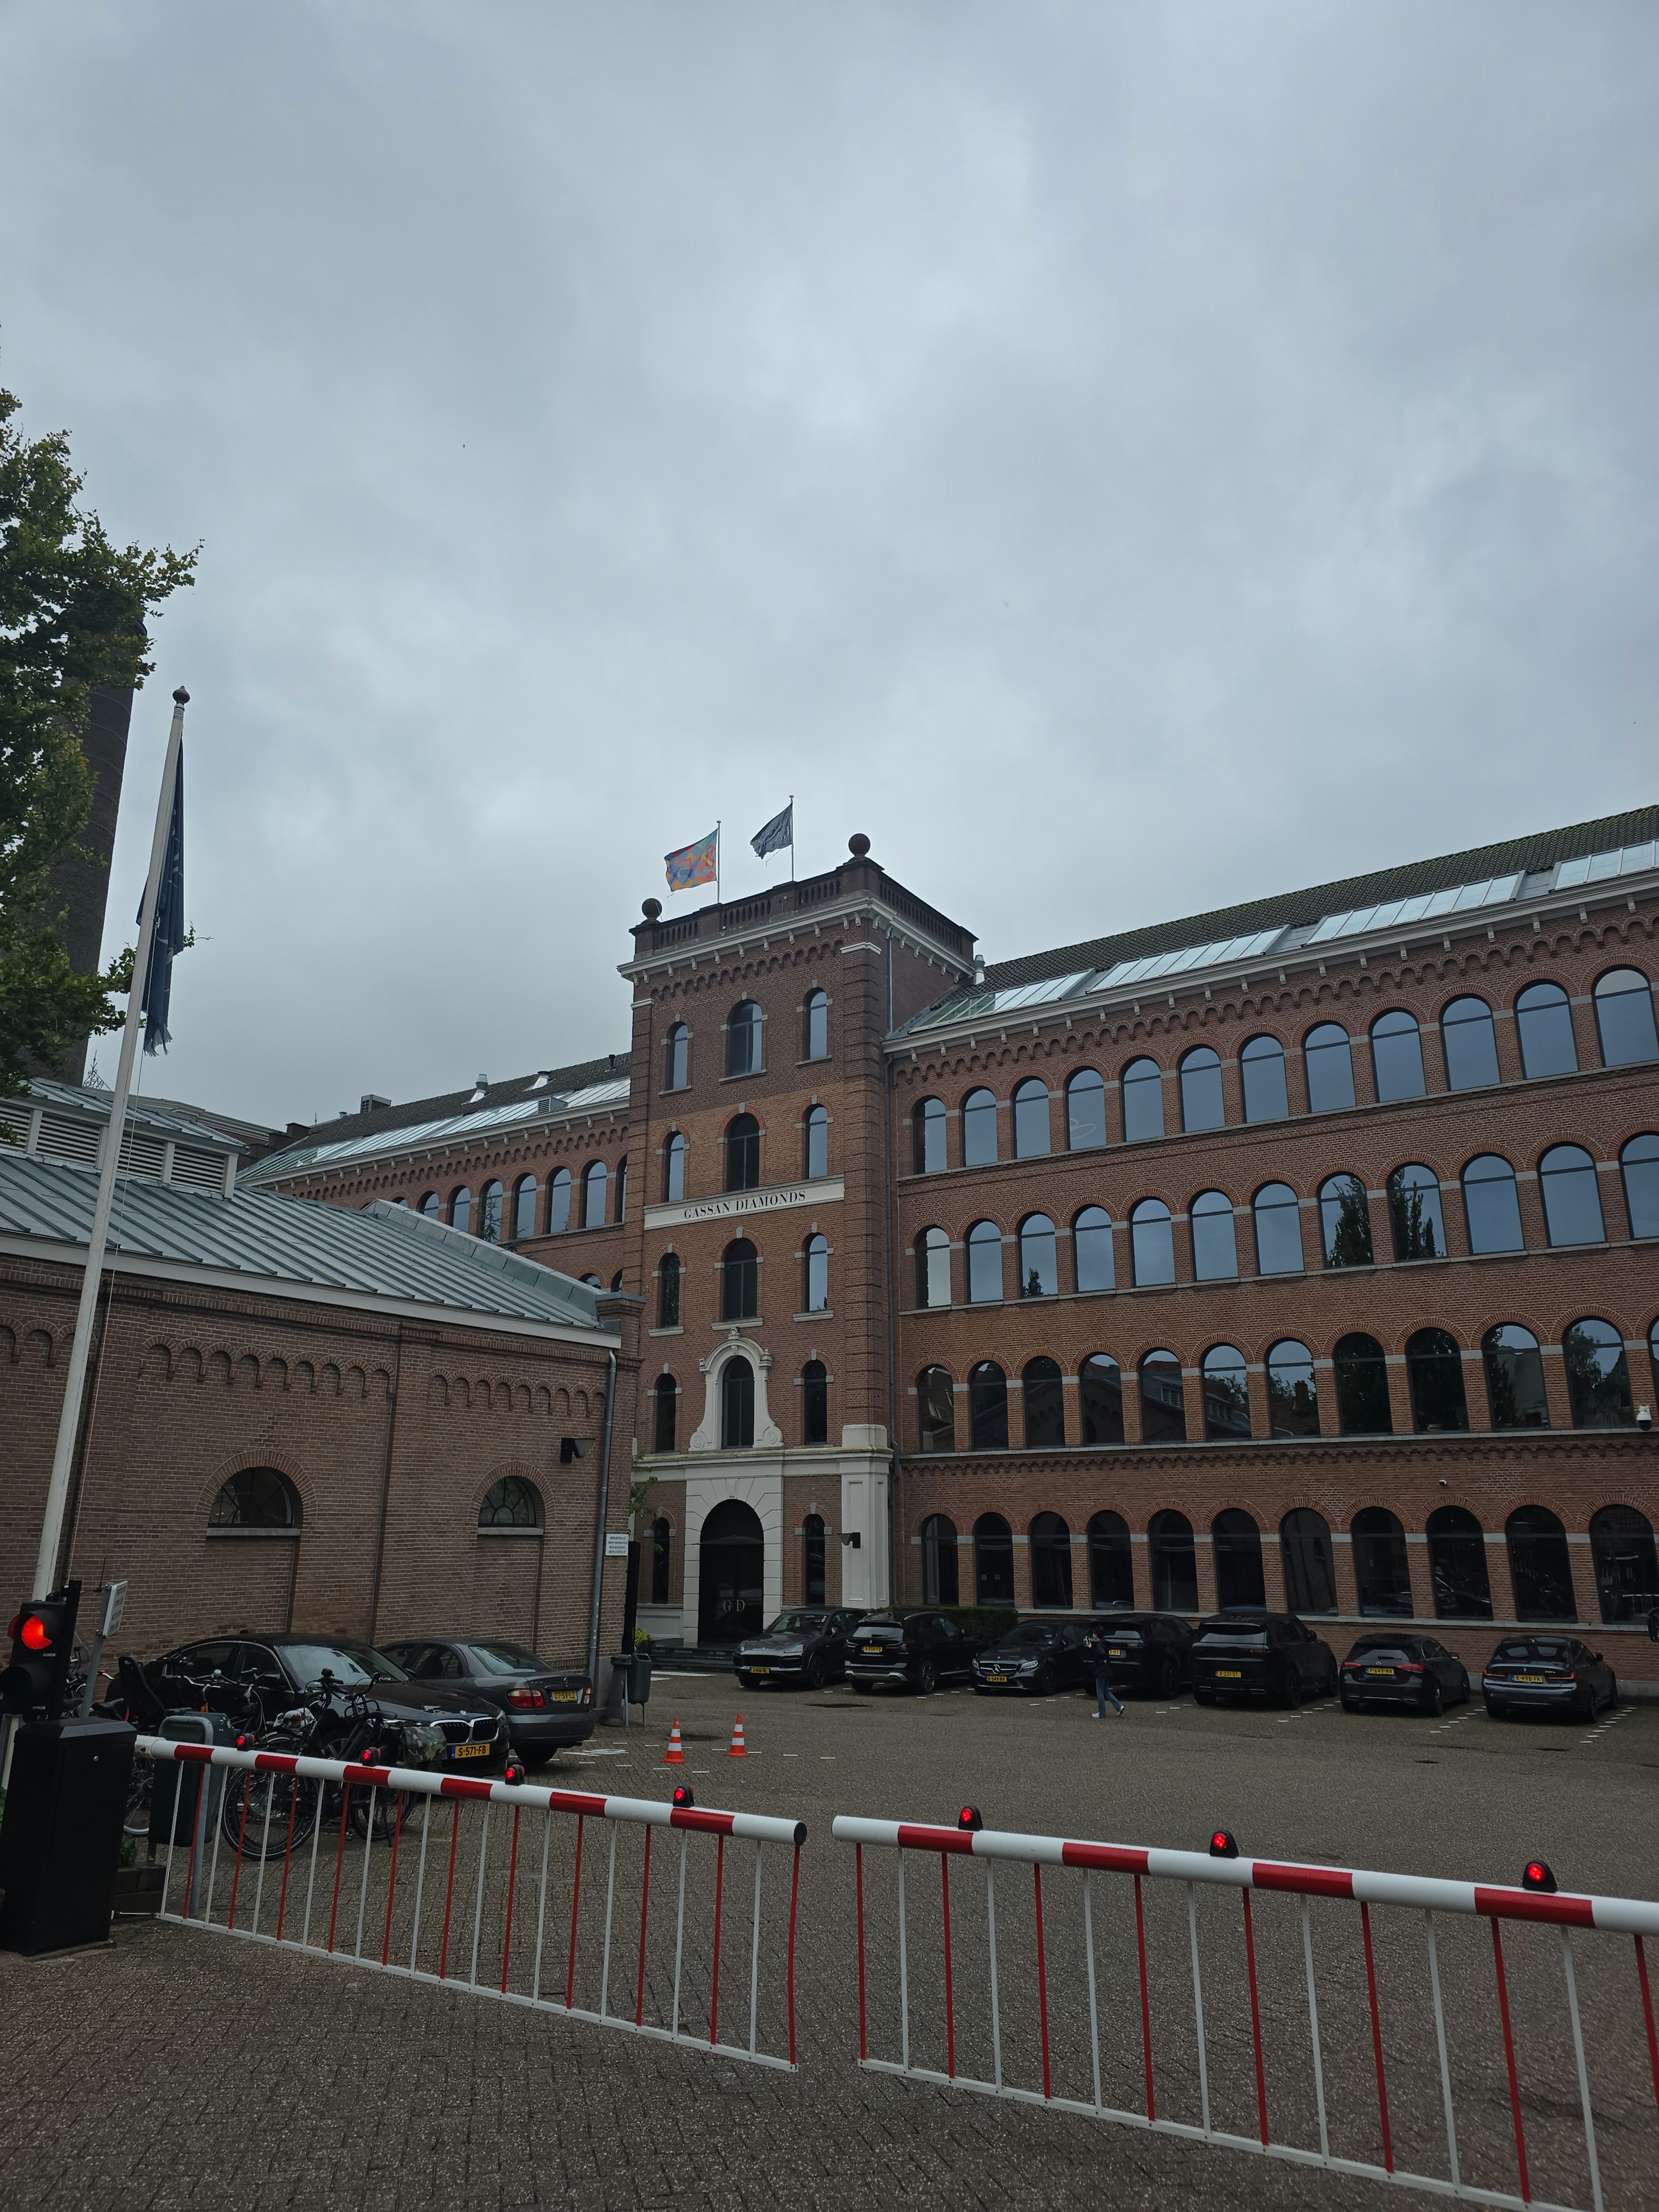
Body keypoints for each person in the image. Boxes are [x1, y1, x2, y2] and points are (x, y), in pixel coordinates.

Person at [1082, 1626, 1123, 1718]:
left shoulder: (1100, 1646)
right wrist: (1092, 1647)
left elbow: (1101, 1653)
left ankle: (1102, 1712)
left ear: (1096, 1635)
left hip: (1101, 1670)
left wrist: (1098, 1658)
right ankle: (1119, 1706)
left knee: (1099, 1691)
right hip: (1108, 1669)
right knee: (1105, 1690)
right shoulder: (1104, 1643)